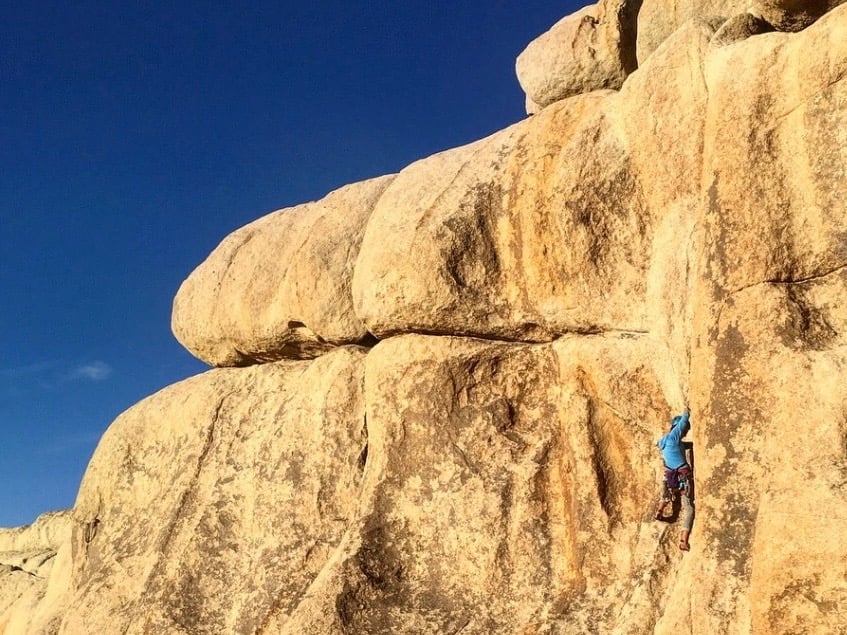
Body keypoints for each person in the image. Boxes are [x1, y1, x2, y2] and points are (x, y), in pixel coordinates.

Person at [654, 408, 694, 551]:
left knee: (666, 495)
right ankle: (683, 541)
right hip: (683, 475)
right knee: (688, 508)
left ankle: (659, 511)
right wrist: (687, 409)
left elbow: (681, 446)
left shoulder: (664, 441)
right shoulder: (674, 436)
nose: (685, 433)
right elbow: (683, 421)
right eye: (684, 431)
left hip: (670, 475)